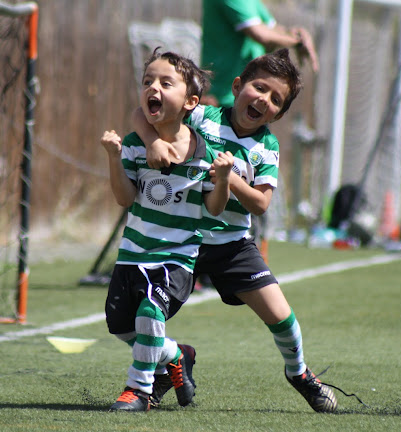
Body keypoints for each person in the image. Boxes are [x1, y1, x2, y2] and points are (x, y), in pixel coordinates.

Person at [132, 49, 338, 413]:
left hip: (231, 245)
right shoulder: (202, 116)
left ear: (279, 113)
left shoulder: (266, 147)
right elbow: (140, 114)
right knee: (137, 316)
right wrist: (153, 142)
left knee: (280, 315)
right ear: (238, 85)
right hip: (182, 240)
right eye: (259, 88)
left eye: (276, 99)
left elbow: (260, 204)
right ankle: (169, 363)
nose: (264, 100)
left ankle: (300, 373)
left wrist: (229, 178)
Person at [102, 49, 234, 412]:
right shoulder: (133, 144)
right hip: (133, 254)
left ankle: (139, 390)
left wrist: (222, 179)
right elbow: (124, 198)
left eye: (165, 82)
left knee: (149, 312)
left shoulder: (206, 150)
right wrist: (114, 157)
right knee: (121, 327)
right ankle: (177, 354)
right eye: (147, 82)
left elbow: (214, 208)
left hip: (176, 259)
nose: (153, 88)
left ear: (191, 101)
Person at [201, 0, 319, 108]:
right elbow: (261, 34)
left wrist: (298, 34)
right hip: (222, 97)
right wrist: (297, 42)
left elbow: (272, 29)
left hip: (248, 96)